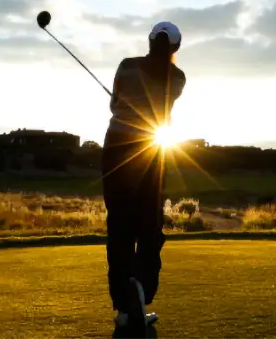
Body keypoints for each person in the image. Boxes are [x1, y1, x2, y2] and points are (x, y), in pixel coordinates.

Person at [101, 20, 186, 336]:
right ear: (175, 48)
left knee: (119, 230)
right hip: (150, 153)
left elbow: (115, 102)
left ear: (150, 41)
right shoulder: (177, 78)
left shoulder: (126, 66)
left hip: (116, 151)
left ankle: (123, 309)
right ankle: (142, 289)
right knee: (149, 227)